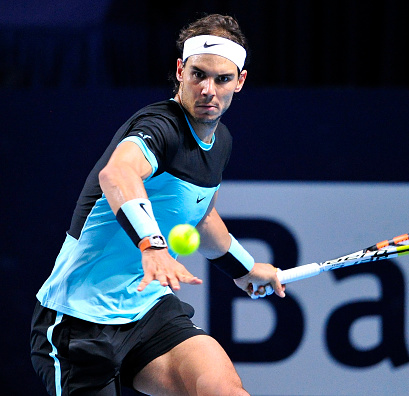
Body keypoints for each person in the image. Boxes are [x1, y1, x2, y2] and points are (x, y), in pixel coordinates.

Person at [30, 13, 285, 396]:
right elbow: (117, 175)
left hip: (148, 310)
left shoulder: (222, 142)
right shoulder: (158, 126)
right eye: (198, 74)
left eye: (222, 78)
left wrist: (246, 269)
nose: (208, 90)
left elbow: (202, 218)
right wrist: (151, 244)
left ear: (240, 81)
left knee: (224, 391)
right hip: (78, 321)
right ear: (181, 70)